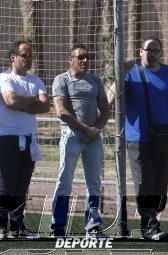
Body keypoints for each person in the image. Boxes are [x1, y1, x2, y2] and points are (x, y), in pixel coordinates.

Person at [124, 37, 168, 241]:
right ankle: (149, 226)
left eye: (156, 50)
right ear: (140, 51)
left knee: (160, 183)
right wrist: (121, 69)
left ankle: (152, 219)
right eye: (148, 49)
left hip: (163, 138)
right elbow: (111, 97)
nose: (152, 53)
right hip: (137, 138)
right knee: (144, 182)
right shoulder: (131, 73)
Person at [0, 40, 50, 239]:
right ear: (13, 57)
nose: (28, 59)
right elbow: (10, 100)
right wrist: (31, 99)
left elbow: (45, 107)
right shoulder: (3, 77)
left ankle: (17, 226)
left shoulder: (36, 81)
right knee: (7, 181)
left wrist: (23, 102)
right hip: (6, 137)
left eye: (30, 55)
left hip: (28, 139)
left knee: (22, 183)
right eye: (24, 55)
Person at [50, 44, 111, 238]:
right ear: (71, 59)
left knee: (94, 183)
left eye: (88, 57)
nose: (85, 61)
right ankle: (58, 227)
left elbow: (105, 110)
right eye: (81, 57)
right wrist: (86, 129)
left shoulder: (95, 81)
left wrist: (95, 130)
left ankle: (92, 226)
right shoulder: (62, 80)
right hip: (72, 137)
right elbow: (61, 112)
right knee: (64, 182)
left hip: (93, 139)